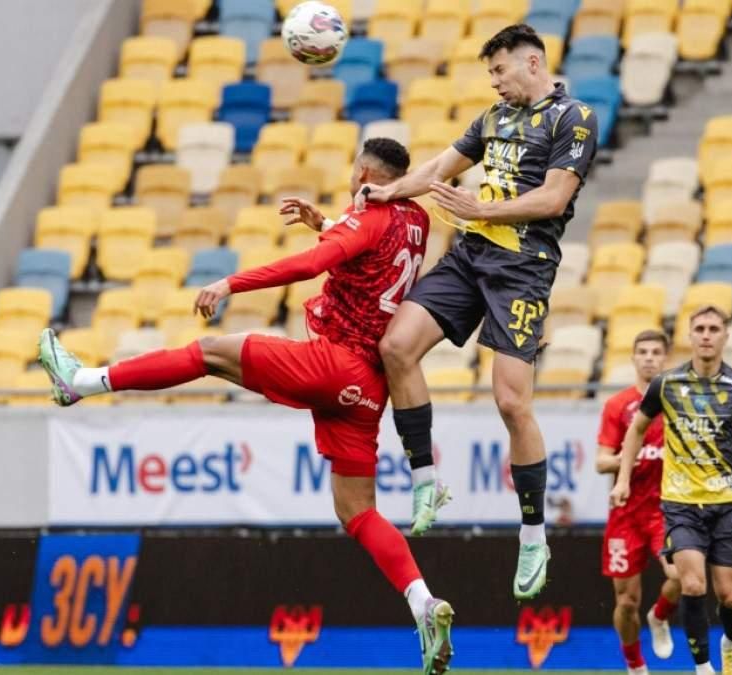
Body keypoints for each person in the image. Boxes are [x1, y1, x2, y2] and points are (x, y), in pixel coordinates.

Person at [36, 139, 454, 675]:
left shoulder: (369, 211)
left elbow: (312, 265)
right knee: (357, 511)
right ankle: (423, 603)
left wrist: (231, 283)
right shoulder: (416, 218)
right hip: (368, 387)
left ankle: (80, 382)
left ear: (366, 175)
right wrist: (327, 223)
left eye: (355, 174)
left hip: (333, 363)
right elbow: (374, 258)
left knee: (210, 352)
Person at [362, 23, 600, 601]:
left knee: (512, 402)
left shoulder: (574, 118)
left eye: (500, 70)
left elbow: (554, 198)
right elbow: (438, 168)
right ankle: (426, 479)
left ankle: (533, 534)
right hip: (471, 255)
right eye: (490, 73)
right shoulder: (493, 118)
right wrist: (390, 192)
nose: (494, 81)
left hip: (523, 268)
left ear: (533, 63)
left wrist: (481, 211)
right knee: (395, 346)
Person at [609, 306, 732, 675]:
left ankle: (730, 642)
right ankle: (703, 668)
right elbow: (636, 429)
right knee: (692, 585)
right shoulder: (667, 384)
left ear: (725, 336)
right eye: (700, 328)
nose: (706, 335)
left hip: (729, 505)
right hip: (681, 504)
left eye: (714, 328)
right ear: (690, 336)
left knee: (731, 598)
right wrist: (623, 479)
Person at [596, 329, 681, 674]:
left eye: (655, 352)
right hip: (626, 514)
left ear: (665, 359)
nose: (649, 358)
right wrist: (629, 459)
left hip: (667, 511)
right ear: (633, 358)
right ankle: (635, 666)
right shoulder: (618, 406)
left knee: (682, 576)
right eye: (642, 351)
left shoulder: (677, 404)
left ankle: (659, 616)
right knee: (626, 601)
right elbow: (601, 461)